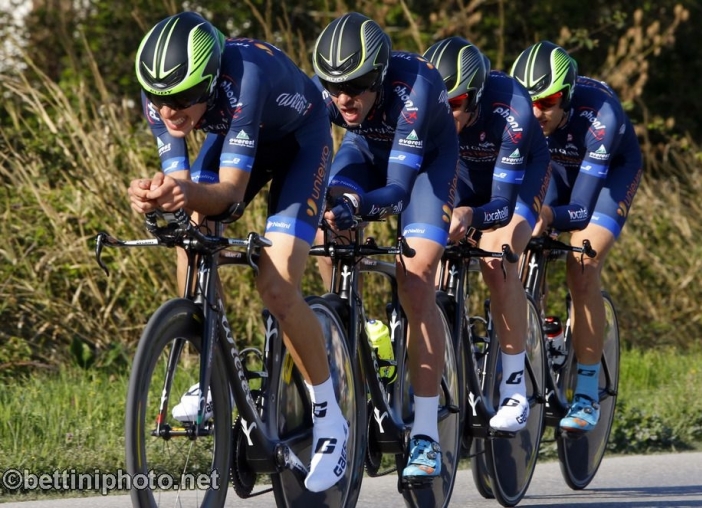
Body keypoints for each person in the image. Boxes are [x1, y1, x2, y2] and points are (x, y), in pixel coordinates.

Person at [127, 11, 348, 492]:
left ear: (208, 83)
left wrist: (181, 194)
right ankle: (208, 380)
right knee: (190, 229)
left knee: (275, 286)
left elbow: (228, 193)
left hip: (299, 144)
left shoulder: (243, 78)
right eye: (159, 99)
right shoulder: (163, 96)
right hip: (237, 137)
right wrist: (154, 191)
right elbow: (181, 182)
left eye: (183, 99)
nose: (168, 111)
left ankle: (332, 419)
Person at [312, 12, 459, 483]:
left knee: (415, 282)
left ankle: (424, 433)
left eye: (354, 86)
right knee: (322, 230)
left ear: (377, 75)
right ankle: (348, 319)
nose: (342, 98)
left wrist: (357, 203)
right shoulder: (334, 97)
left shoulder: (413, 87)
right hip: (365, 152)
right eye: (333, 87)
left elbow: (395, 192)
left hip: (424, 171)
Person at [510, 41, 642, 434]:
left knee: (581, 263)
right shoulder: (520, 115)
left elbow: (581, 209)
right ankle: (541, 335)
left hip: (606, 179)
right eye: (530, 101)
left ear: (566, 94)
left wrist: (548, 215)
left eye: (548, 101)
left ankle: (586, 390)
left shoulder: (601, 115)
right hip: (555, 169)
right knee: (513, 251)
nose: (537, 112)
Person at [422, 37, 551, 433]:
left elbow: (502, 206)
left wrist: (470, 215)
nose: (446, 113)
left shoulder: (512, 111)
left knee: (496, 256)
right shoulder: (426, 111)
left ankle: (514, 387)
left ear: (475, 97)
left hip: (515, 182)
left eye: (457, 104)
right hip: (461, 178)